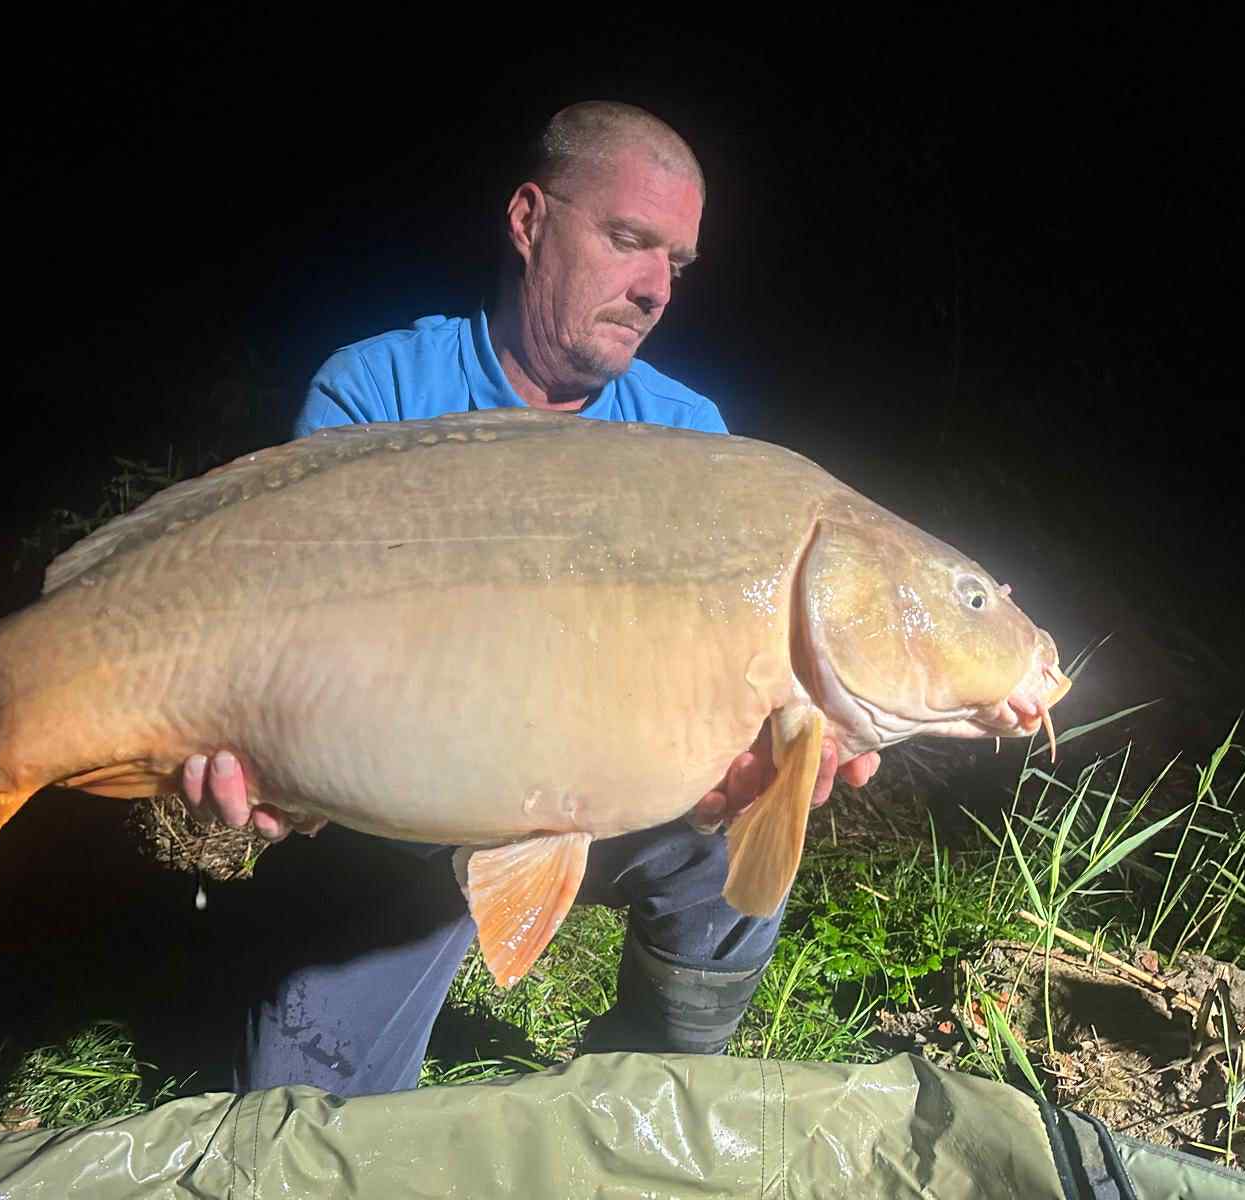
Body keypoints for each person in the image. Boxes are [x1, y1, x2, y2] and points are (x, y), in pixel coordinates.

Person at [182, 101, 881, 1096]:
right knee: (302, 1114)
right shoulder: (377, 391)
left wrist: (759, 770)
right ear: (527, 220)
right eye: (628, 240)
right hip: (402, 818)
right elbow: (283, 648)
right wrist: (269, 760)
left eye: (675, 264)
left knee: (735, 839)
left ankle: (656, 1075)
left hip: (614, 799)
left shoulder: (692, 441)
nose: (653, 289)